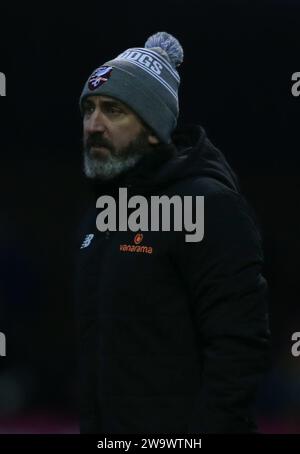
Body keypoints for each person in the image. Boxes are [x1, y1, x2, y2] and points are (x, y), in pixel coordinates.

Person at [75, 31, 270, 434]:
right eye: (88, 109)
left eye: (113, 110)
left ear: (152, 127)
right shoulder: (101, 215)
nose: (94, 125)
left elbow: (239, 348)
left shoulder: (209, 205)